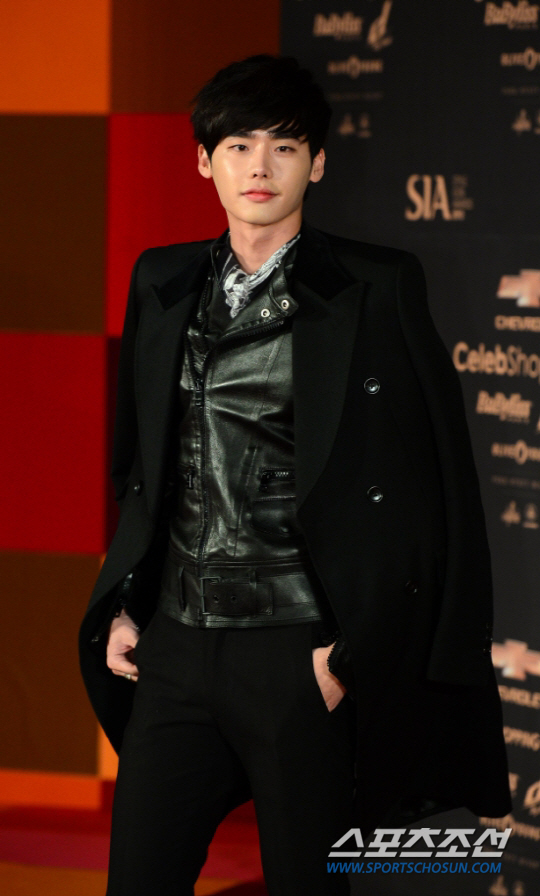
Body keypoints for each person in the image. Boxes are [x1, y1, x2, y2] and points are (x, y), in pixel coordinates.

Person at [79, 55, 511, 896]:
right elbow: (144, 466)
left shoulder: (376, 285)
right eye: (238, 146)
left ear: (317, 162)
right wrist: (128, 601)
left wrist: (349, 657)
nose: (260, 167)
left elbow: (431, 491)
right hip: (175, 645)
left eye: (284, 146)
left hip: (298, 650)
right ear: (203, 161)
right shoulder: (161, 279)